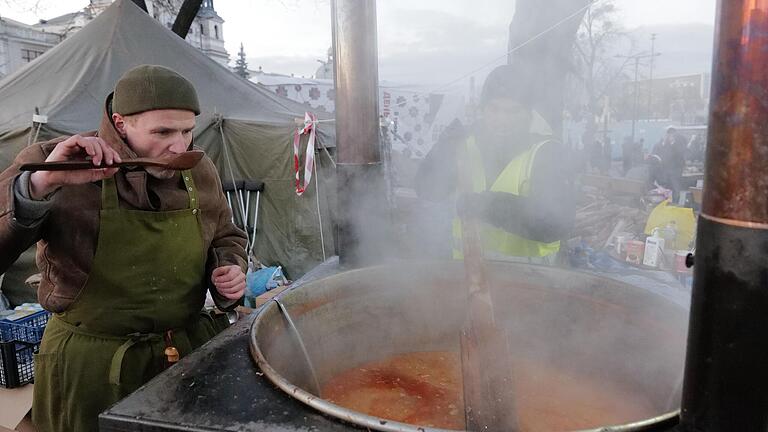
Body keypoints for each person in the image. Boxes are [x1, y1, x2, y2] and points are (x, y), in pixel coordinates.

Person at [0, 65, 247, 432]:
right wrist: (41, 183)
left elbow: (225, 234)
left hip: (185, 352)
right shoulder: (56, 160)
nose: (179, 145)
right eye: (162, 132)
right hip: (91, 367)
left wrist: (229, 268)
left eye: (187, 130)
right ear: (120, 123)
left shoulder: (198, 168)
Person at [415, 64, 574, 264]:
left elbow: (557, 223)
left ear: (528, 113)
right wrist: (441, 152)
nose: (502, 120)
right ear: (483, 109)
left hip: (531, 282)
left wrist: (491, 206)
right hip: (467, 277)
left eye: (513, 111)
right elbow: (428, 191)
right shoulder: (463, 144)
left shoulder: (546, 154)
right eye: (494, 109)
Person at [650, 126, 687, 199]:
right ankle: (664, 202)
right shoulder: (659, 145)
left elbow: (681, 155)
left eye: (672, 134)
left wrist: (673, 144)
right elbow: (654, 156)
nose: (670, 135)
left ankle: (676, 203)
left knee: (676, 188)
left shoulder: (678, 144)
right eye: (668, 133)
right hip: (663, 171)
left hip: (675, 170)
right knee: (664, 189)